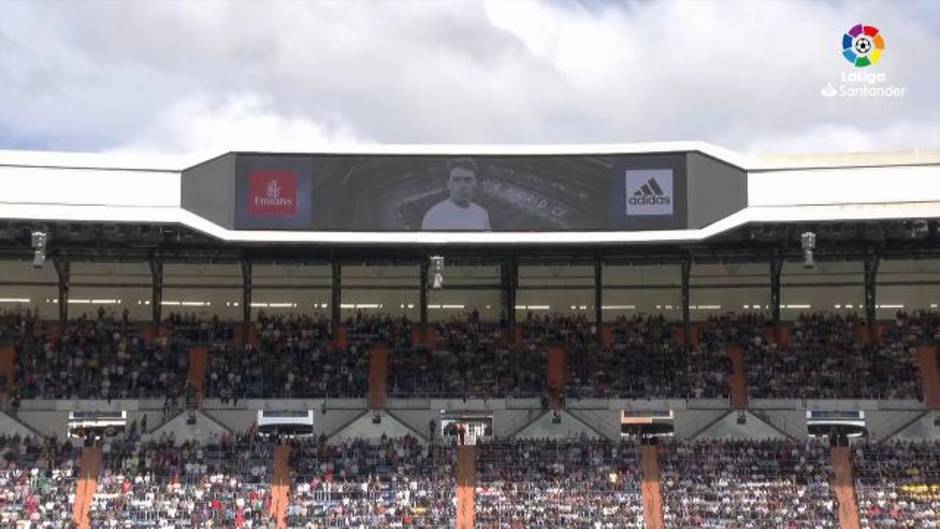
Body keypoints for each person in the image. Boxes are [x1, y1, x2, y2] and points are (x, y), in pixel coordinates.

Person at [421, 158, 492, 230]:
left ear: (475, 183)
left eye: (468, 180)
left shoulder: (482, 214)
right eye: (456, 180)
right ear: (448, 184)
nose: (462, 185)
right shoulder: (433, 215)